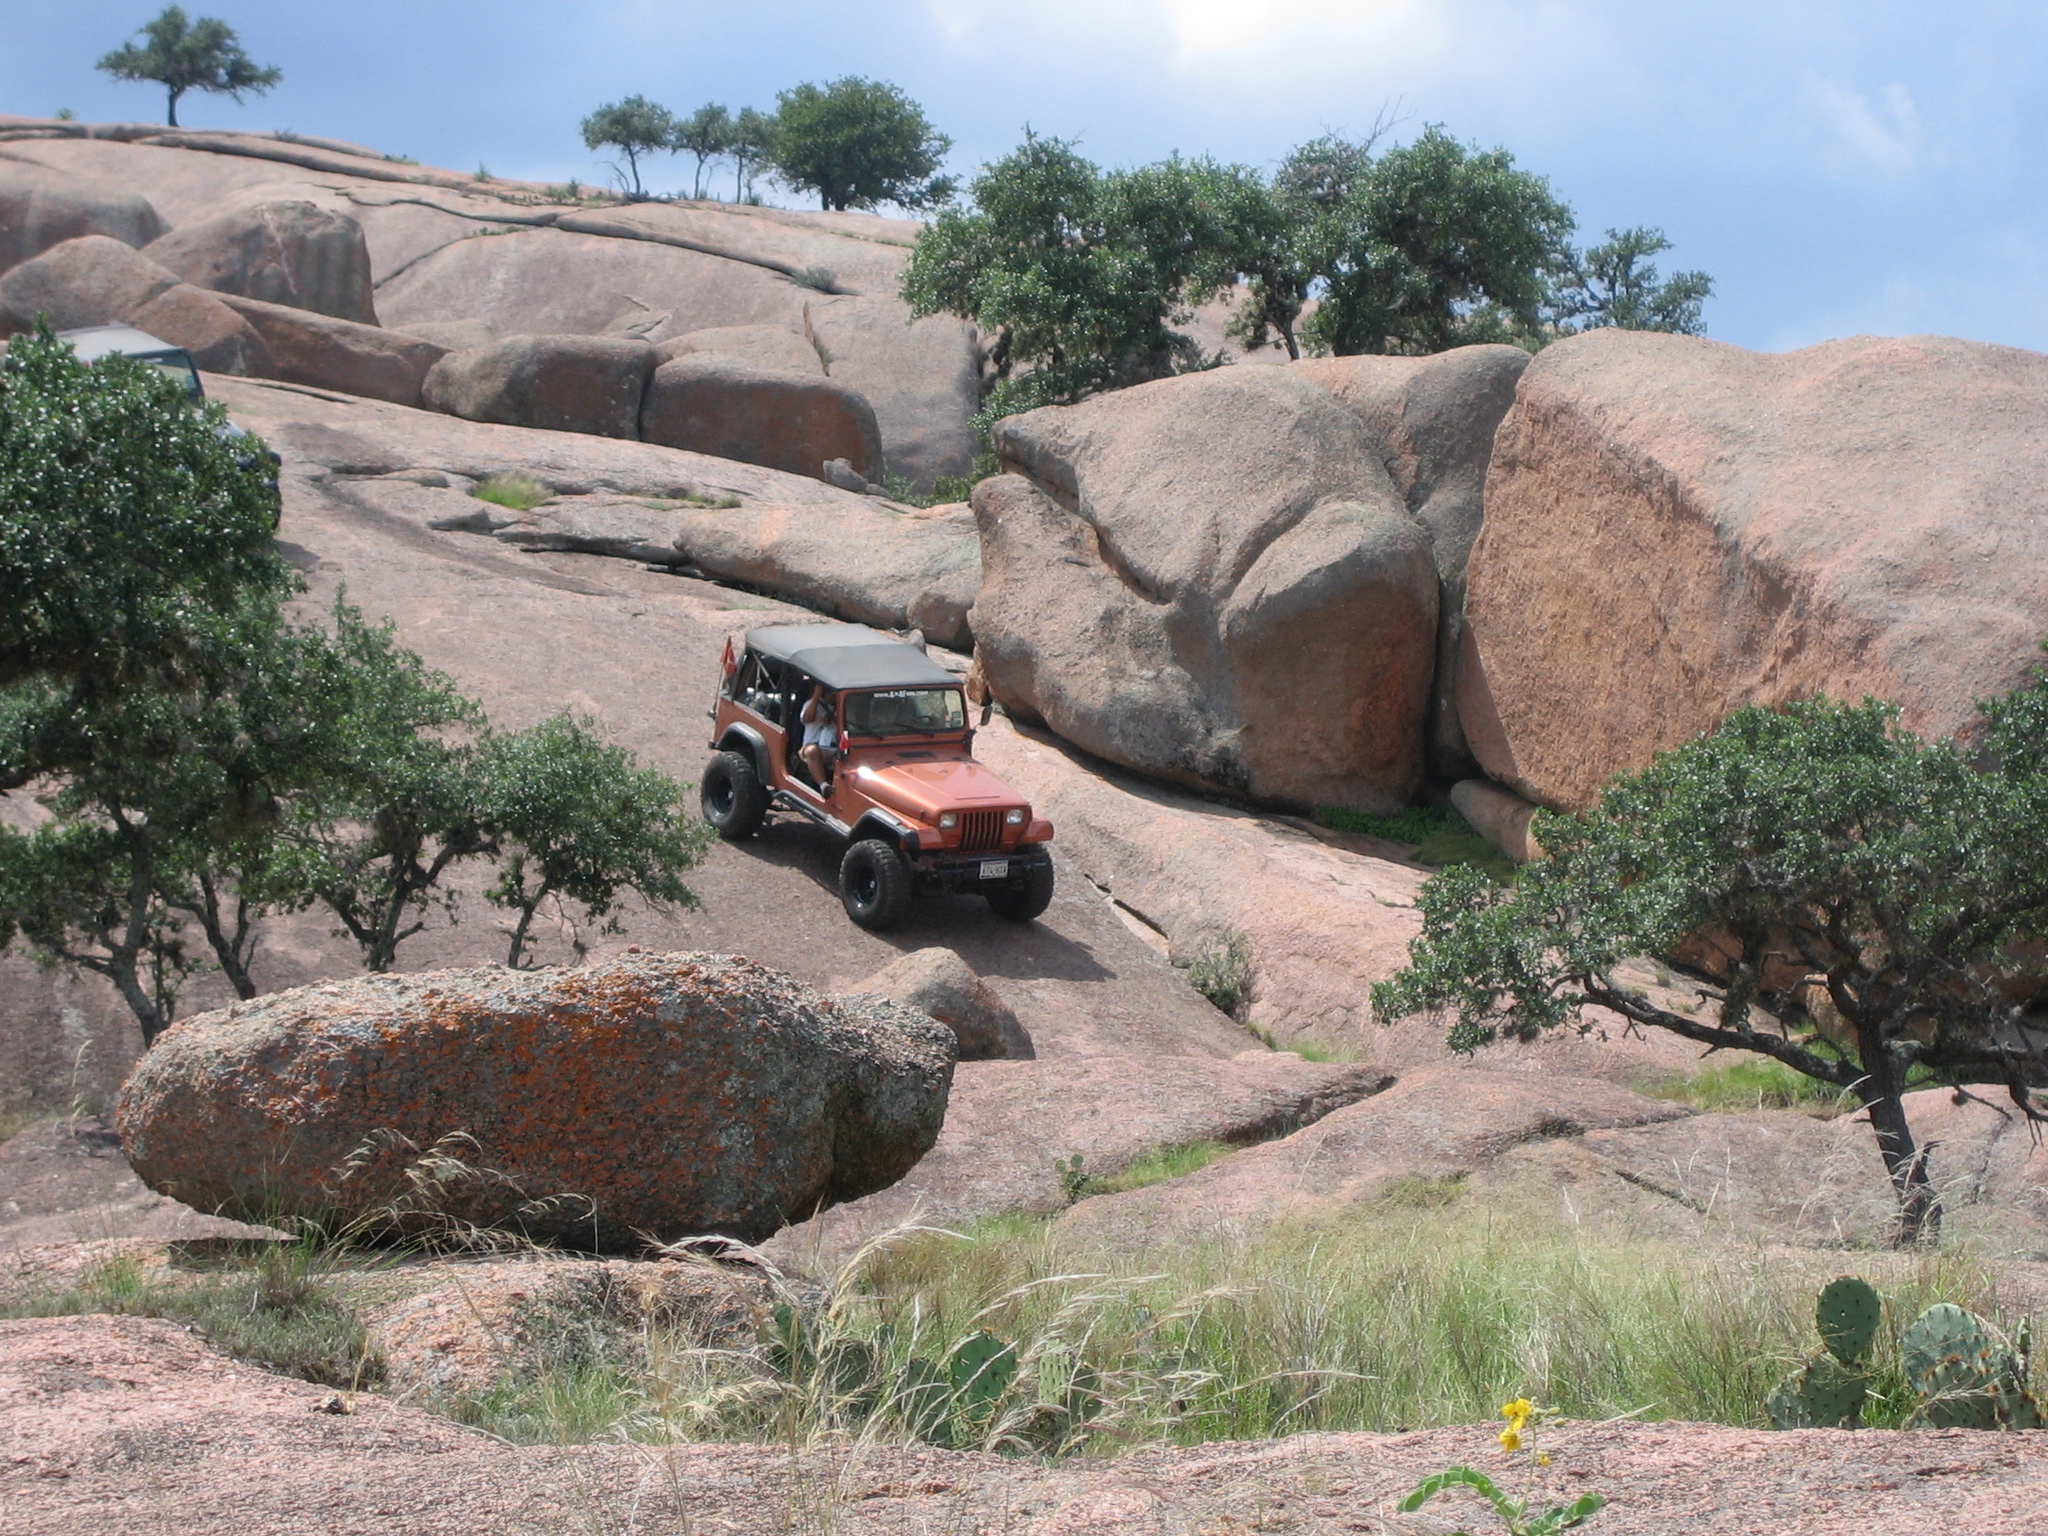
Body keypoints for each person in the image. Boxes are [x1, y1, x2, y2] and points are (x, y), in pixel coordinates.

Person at [798, 682, 839, 789]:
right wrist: (816, 696)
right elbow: (807, 719)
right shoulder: (812, 704)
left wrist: (834, 720)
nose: (834, 694)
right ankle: (824, 785)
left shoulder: (842, 707)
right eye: (831, 691)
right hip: (815, 746)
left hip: (835, 748)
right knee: (812, 751)